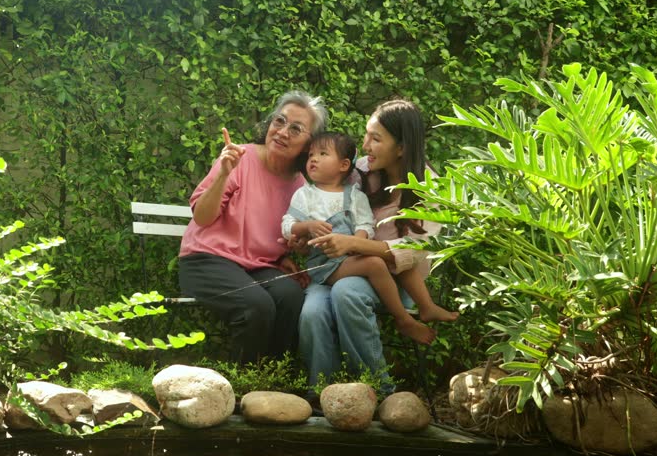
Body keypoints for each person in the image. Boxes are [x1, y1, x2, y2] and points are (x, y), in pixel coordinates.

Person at [298, 98, 458, 394]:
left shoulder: (428, 189)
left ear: (402, 148)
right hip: (338, 266)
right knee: (312, 312)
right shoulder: (358, 171)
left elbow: (413, 251)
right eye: (366, 135)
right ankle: (322, 392)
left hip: (394, 281)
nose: (366, 145)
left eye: (376, 138)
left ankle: (375, 390)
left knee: (348, 294)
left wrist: (355, 243)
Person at [179, 90, 328, 364]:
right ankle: (242, 388)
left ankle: (273, 387)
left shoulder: (299, 186)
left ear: (309, 144)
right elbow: (202, 218)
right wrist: (224, 173)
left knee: (292, 297)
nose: (282, 132)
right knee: (256, 306)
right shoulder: (240, 158)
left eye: (295, 129)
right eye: (279, 121)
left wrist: (287, 253)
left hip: (255, 268)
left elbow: (278, 230)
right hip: (206, 261)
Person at [282, 133, 438, 345]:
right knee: (373, 264)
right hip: (323, 264)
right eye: (311, 155)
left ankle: (411, 315)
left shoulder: (355, 194)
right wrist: (304, 229)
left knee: (381, 263)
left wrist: (357, 241)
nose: (313, 159)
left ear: (344, 165)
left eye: (322, 154)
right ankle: (403, 319)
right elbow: (288, 225)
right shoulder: (305, 194)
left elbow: (365, 225)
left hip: (351, 261)